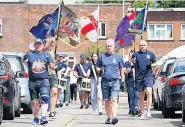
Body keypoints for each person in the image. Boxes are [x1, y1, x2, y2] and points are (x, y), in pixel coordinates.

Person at [24, 38, 55, 125]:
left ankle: (43, 117)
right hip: (32, 81)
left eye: (40, 44)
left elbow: (52, 67)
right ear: (34, 45)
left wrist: (53, 64)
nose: (38, 46)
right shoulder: (30, 54)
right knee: (34, 101)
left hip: (43, 81)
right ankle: (36, 117)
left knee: (45, 98)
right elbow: (23, 60)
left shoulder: (46, 55)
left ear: (42, 45)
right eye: (36, 44)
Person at [96, 39, 125, 125]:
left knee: (114, 99)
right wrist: (99, 70)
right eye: (108, 46)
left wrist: (122, 80)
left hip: (115, 81)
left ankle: (114, 116)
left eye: (110, 46)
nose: (109, 48)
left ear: (114, 47)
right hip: (105, 81)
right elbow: (97, 67)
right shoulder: (102, 57)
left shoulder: (118, 57)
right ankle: (109, 117)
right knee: (107, 100)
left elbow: (121, 69)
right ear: (106, 47)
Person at [132, 40, 156, 119]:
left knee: (149, 92)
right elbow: (132, 61)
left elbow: (155, 63)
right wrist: (133, 60)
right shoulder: (136, 54)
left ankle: (148, 112)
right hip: (139, 77)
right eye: (141, 45)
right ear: (139, 46)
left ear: (147, 46)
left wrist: (151, 64)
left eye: (144, 45)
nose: (142, 46)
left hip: (148, 76)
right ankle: (142, 113)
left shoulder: (151, 54)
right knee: (141, 96)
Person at [43, 38, 58, 118]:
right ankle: (44, 110)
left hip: (53, 74)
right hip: (44, 75)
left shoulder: (52, 52)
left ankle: (52, 111)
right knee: (44, 94)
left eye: (50, 43)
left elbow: (53, 66)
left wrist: (57, 61)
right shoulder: (41, 52)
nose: (50, 44)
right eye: (48, 43)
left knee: (54, 92)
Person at [125, 50, 140, 116]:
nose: (132, 58)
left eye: (133, 56)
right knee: (131, 96)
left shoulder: (137, 63)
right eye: (131, 56)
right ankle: (132, 110)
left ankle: (138, 109)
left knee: (137, 96)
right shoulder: (127, 63)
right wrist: (131, 68)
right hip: (130, 82)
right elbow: (126, 71)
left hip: (137, 82)